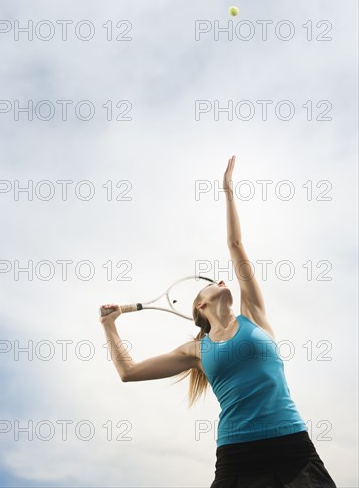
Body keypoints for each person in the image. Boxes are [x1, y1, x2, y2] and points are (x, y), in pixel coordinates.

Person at [99, 156, 337, 488]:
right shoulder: (197, 349)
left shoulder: (253, 314)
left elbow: (235, 245)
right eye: (211, 282)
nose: (221, 280)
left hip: (292, 447)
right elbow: (129, 373)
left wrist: (228, 190)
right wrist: (109, 326)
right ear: (200, 303)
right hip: (236, 455)